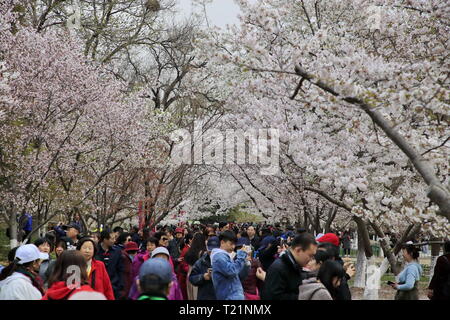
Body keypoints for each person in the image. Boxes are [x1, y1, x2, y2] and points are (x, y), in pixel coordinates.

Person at [261, 233, 317, 300]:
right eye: (310, 255)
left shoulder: (293, 265)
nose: (311, 259)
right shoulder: (279, 268)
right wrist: (303, 297)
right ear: (298, 250)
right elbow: (274, 296)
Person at [210, 230, 250, 300]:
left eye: (234, 244)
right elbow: (232, 271)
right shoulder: (219, 257)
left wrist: (246, 262)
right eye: (231, 244)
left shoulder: (224, 255)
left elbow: (237, 275)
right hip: (229, 297)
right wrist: (241, 255)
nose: (233, 247)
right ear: (222, 242)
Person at [95, 230, 124, 299]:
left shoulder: (117, 251)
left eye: (115, 238)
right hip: (98, 285)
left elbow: (120, 269)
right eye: (112, 238)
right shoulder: (95, 250)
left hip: (114, 285)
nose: (114, 240)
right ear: (105, 239)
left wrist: (120, 285)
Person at [184, 233, 207, 300]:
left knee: (191, 295)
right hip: (199, 275)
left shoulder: (189, 251)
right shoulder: (203, 253)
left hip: (189, 274)